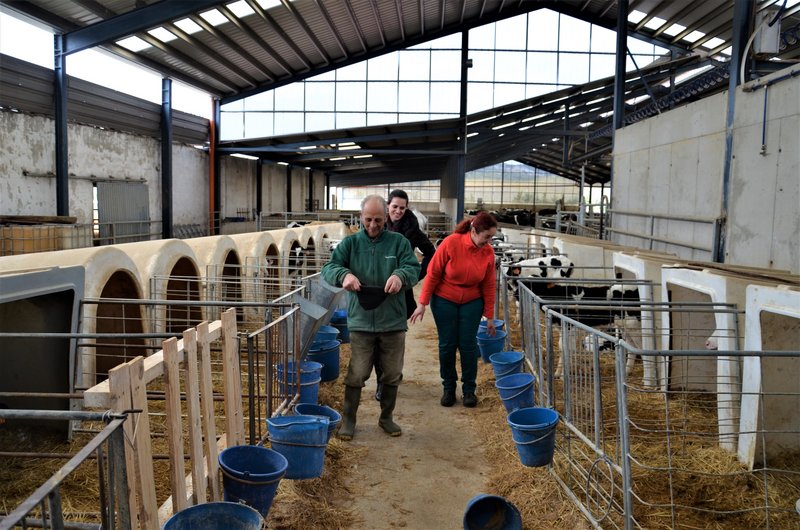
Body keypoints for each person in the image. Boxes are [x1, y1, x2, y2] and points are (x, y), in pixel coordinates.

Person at [322, 195, 421, 440]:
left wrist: (400, 276)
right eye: (368, 219)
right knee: (357, 373)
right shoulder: (351, 244)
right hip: (362, 321)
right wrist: (344, 275)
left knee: (391, 373)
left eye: (378, 219)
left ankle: (386, 417)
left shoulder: (398, 242)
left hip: (392, 321)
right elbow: (329, 268)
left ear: (385, 217)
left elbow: (413, 268)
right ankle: (349, 420)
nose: (374, 225)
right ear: (360, 217)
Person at [410, 211, 498, 408]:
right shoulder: (451, 243)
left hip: (472, 301)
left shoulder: (488, 252)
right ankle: (448, 388)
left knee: (468, 346)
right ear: (474, 231)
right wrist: (422, 303)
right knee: (447, 345)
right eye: (487, 236)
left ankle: (469, 390)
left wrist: (489, 316)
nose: (489, 241)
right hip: (444, 300)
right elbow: (433, 273)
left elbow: (489, 284)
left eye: (492, 237)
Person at [371, 189, 436, 401]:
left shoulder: (413, 230)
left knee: (394, 338)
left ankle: (391, 377)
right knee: (376, 338)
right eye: (395, 207)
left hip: (400, 293)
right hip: (377, 290)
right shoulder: (376, 225)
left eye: (402, 207)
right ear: (388, 206)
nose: (398, 211)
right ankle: (381, 381)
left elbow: (431, 253)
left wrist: (415, 276)